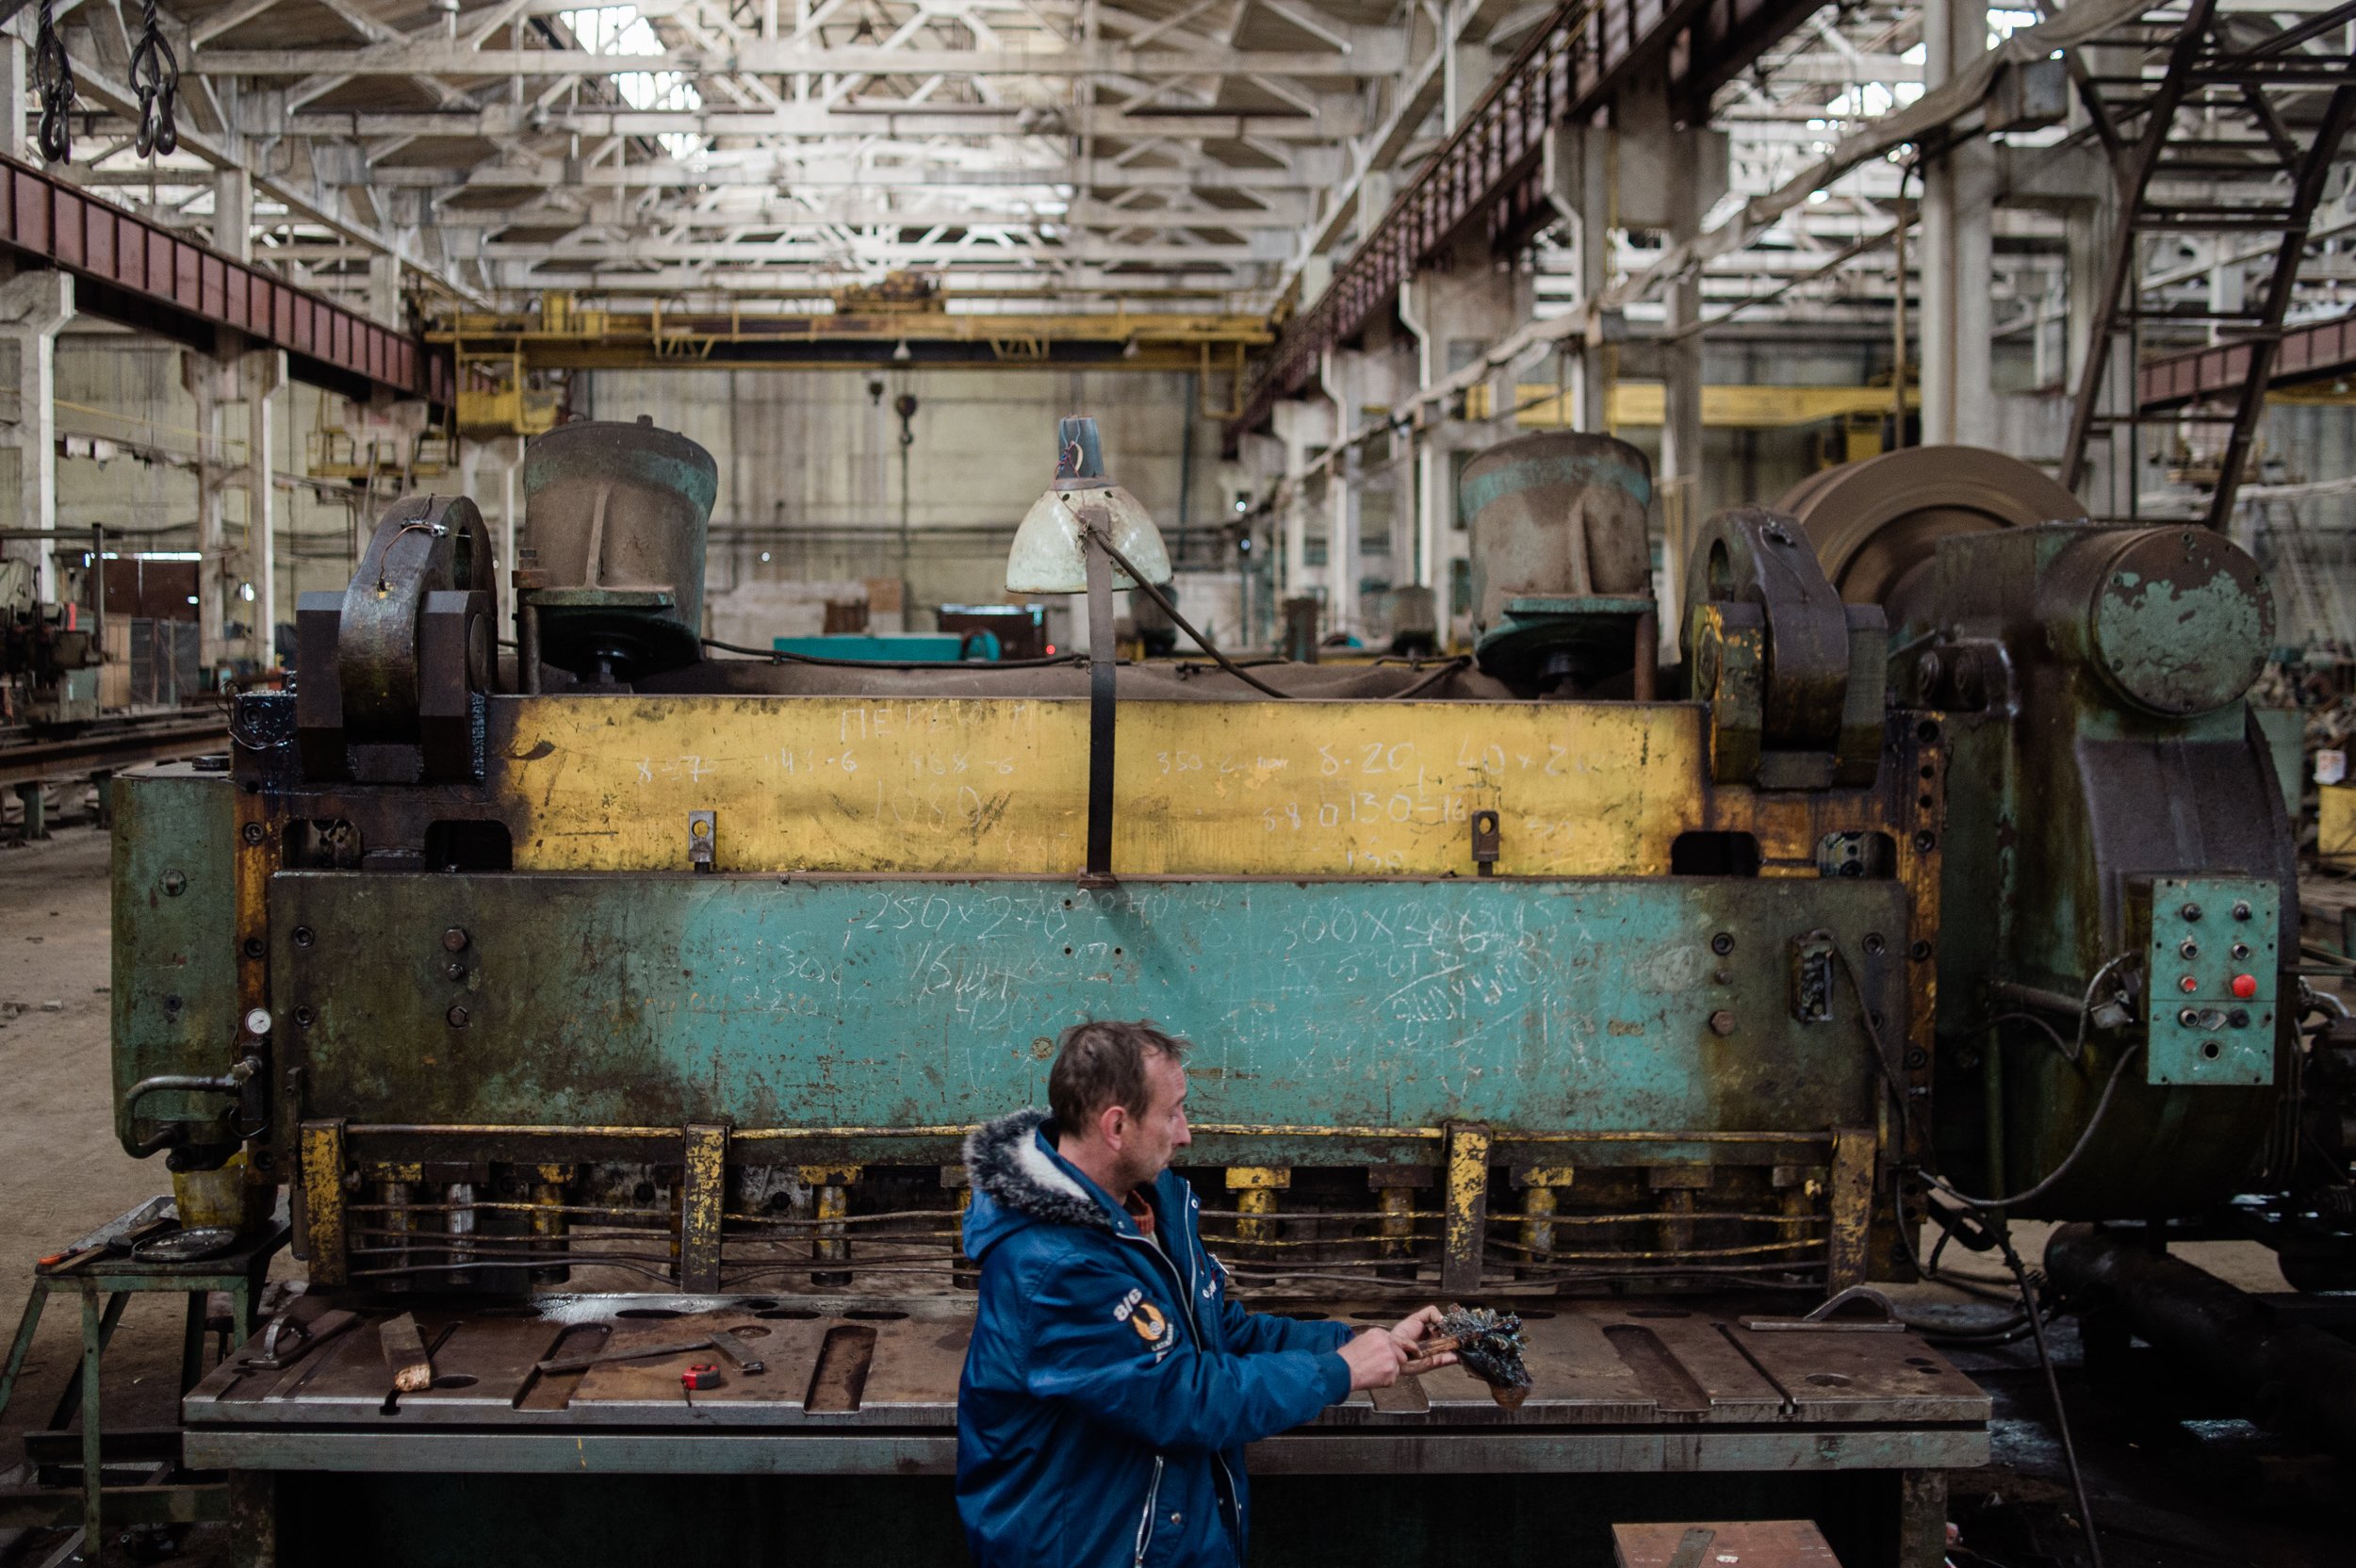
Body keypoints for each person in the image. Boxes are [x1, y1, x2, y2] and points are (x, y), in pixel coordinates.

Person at [956, 1019, 1455, 1567]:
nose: (1186, 1131)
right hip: (1090, 1547)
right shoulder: (1054, 1265)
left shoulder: (1141, 1206)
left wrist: (1361, 1342)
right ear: (1117, 1126)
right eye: (1172, 1112)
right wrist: (1339, 1371)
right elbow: (1181, 1398)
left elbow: (1216, 1332)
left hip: (1151, 1532)